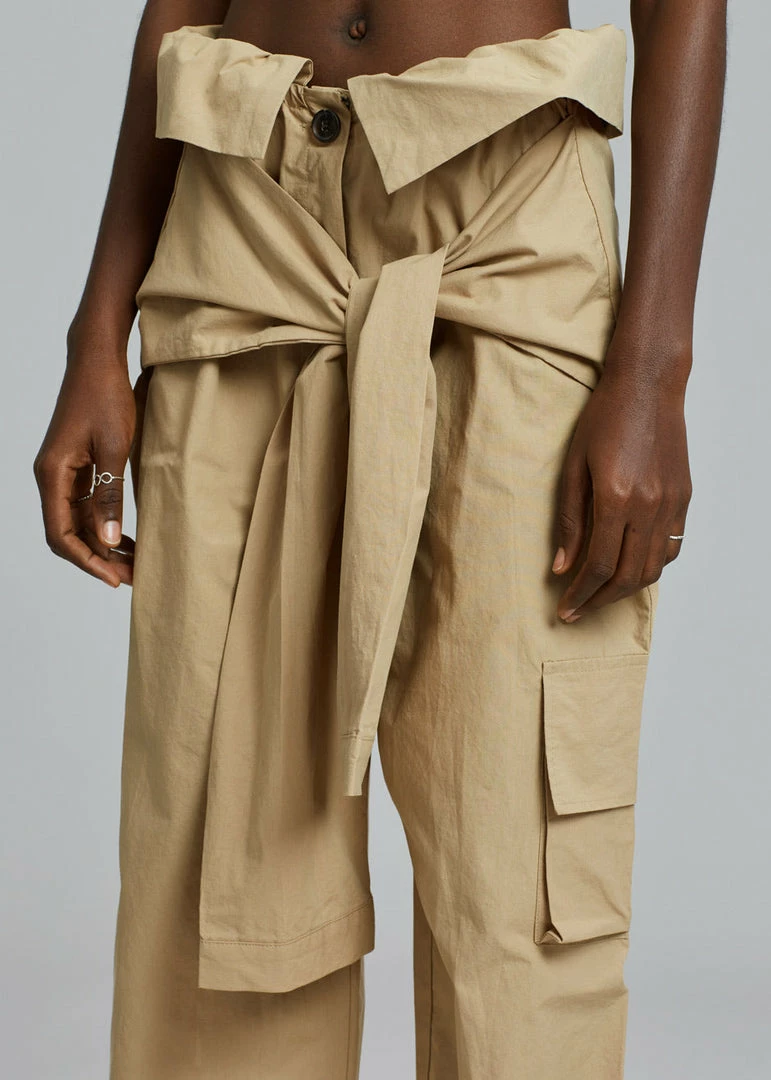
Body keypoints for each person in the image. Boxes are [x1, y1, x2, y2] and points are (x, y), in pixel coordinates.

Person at [33, 2, 726, 1077]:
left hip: (503, 230)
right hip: (244, 229)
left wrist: (652, 369)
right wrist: (97, 329)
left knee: (517, 891)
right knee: (211, 888)